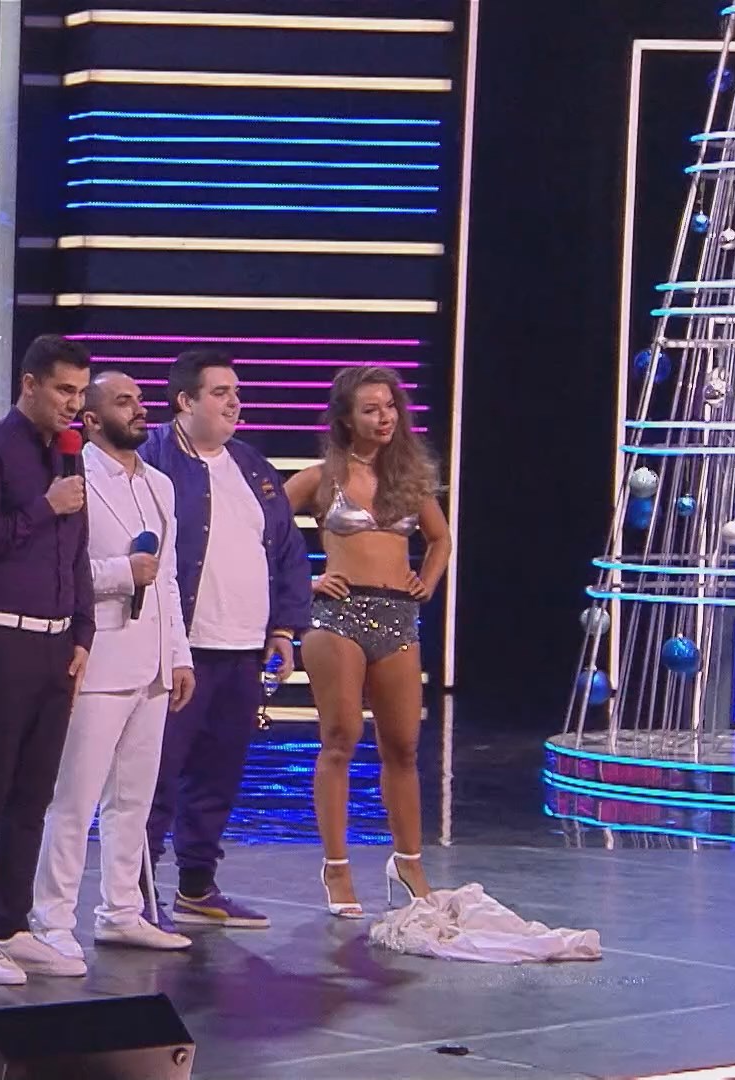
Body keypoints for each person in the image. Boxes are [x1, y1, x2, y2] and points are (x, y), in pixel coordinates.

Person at [138, 347, 311, 932]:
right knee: (156, 777)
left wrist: (283, 629)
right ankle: (135, 895)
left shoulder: (251, 465)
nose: (235, 402)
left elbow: (288, 551)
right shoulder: (152, 460)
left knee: (217, 775)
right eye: (220, 392)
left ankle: (196, 888)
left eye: (236, 392)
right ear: (184, 402)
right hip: (178, 650)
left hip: (242, 652)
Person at [0, 334, 94, 985]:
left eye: (81, 393)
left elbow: (76, 551)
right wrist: (42, 506)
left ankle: (13, 924)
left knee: (33, 793)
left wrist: (83, 633)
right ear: (29, 384)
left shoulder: (69, 456)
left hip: (55, 647)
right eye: (63, 390)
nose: (74, 404)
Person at [30, 372, 198, 958]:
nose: (139, 409)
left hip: (151, 664)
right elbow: (62, 570)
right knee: (74, 799)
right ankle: (51, 918)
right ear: (92, 419)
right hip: (97, 659)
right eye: (123, 402)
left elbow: (167, 578)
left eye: (139, 400)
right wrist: (123, 573)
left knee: (133, 801)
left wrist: (178, 654)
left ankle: (122, 910)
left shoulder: (159, 485)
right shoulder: (72, 478)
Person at [282, 365, 450, 914]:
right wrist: (305, 581)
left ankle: (409, 861)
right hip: (337, 616)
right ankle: (336, 869)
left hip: (398, 616)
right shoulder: (321, 478)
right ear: (346, 418)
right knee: (341, 737)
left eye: (390, 407)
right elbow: (259, 529)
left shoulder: (409, 477)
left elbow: (440, 538)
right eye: (371, 409)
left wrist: (427, 581)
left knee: (402, 746)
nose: (384, 418)